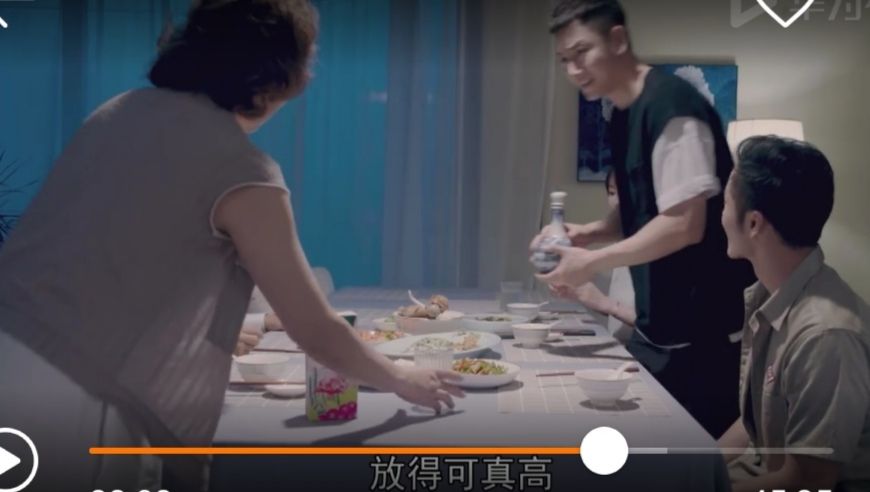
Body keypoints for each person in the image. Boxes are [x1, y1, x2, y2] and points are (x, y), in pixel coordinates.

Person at [0, 2, 462, 491]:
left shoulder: (117, 112)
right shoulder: (242, 170)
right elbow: (314, 328)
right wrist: (402, 379)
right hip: (85, 401)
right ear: (273, 79)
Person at [533, 0, 754, 437]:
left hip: (701, 340)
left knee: (687, 462)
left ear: (617, 40)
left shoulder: (673, 108)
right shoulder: (623, 113)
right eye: (564, 60)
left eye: (582, 52)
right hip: (657, 332)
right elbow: (641, 207)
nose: (574, 70)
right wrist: (589, 232)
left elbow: (684, 223)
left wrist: (591, 262)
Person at [716, 136, 870, 492]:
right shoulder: (770, 295)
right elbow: (755, 423)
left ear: (753, 224)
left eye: (724, 204)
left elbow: (809, 481)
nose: (720, 217)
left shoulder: (825, 336)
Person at [552, 169, 635, 342]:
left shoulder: (661, 247)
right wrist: (582, 294)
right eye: (612, 192)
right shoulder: (622, 240)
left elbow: (665, 327)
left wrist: (606, 304)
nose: (617, 201)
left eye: (626, 190)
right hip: (622, 348)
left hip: (649, 356)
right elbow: (623, 314)